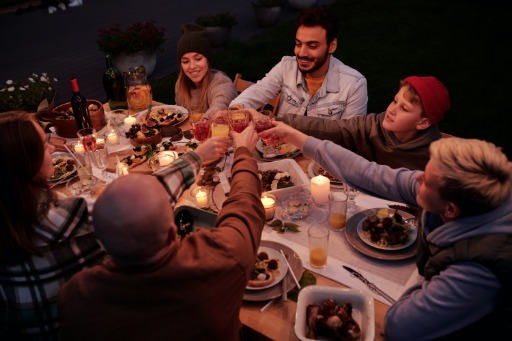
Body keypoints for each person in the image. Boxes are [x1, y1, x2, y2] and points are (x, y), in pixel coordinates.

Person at [260, 124, 512, 339]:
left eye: (426, 180)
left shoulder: (478, 271)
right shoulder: (469, 196)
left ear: (450, 211)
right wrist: (295, 136)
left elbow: (399, 328)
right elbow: (371, 174)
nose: (417, 179)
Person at [58, 124, 266, 340]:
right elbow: (245, 202)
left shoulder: (74, 299)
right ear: (172, 231)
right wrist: (243, 151)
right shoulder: (222, 257)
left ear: (102, 243)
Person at [0, 111, 105, 340]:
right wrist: (194, 159)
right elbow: (142, 211)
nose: (52, 149)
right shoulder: (65, 217)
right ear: (24, 160)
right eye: (43, 144)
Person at [263, 75, 450, 170]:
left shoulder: (434, 159)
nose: (391, 110)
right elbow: (331, 128)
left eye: (404, 108)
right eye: (395, 100)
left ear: (423, 123)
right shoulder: (373, 126)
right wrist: (280, 121)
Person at [229, 6, 367, 120]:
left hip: (321, 153)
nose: (301, 53)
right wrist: (236, 108)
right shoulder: (286, 66)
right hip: (278, 150)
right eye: (298, 44)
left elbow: (351, 137)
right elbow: (258, 91)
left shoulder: (354, 85)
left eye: (312, 46)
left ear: (332, 46)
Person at [175, 23, 238, 119]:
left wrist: (201, 124)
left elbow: (219, 107)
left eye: (198, 59)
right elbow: (179, 111)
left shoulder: (221, 82)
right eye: (185, 61)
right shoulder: (181, 83)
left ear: (208, 60)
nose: (192, 66)